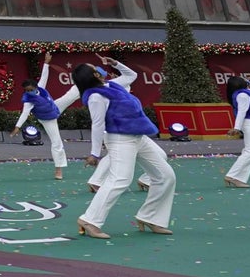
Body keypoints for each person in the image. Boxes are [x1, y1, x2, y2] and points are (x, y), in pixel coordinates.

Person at [72, 54, 175, 239]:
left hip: (139, 137)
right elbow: (97, 124)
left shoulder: (111, 85)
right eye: (94, 69)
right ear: (92, 75)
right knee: (120, 180)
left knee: (165, 176)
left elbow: (131, 76)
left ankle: (151, 217)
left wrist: (116, 64)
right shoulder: (96, 96)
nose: (99, 69)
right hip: (120, 139)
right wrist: (94, 154)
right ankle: (89, 220)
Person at [12, 56, 77, 180]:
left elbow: (44, 77)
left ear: (36, 87)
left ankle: (87, 85)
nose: (29, 92)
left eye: (31, 90)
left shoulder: (41, 88)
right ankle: (59, 169)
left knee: (71, 95)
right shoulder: (28, 101)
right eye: (26, 90)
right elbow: (24, 114)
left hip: (55, 107)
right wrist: (17, 127)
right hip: (48, 119)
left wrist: (46, 63)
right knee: (56, 142)